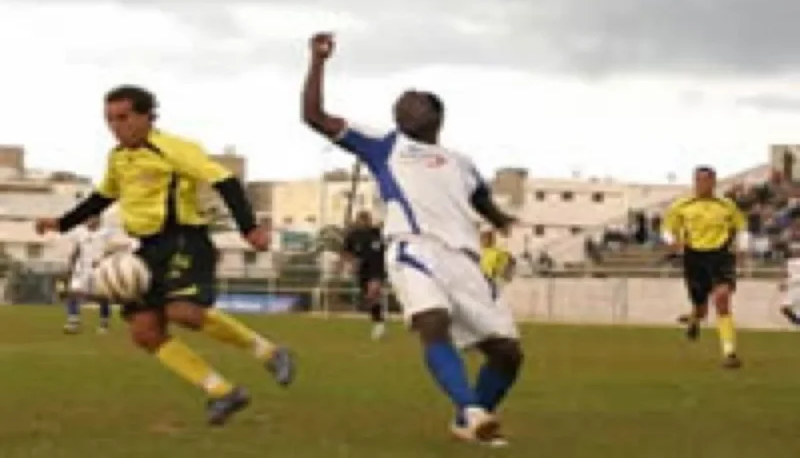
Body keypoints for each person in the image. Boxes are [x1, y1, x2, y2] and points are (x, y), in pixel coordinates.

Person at [301, 33, 523, 446]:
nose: (403, 103)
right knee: (432, 323)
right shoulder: (385, 145)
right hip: (413, 249)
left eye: (413, 99)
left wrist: (501, 219)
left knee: (508, 354)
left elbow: (481, 200)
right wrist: (317, 61)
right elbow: (314, 116)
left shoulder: (462, 162)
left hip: (465, 260)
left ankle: (466, 419)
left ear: (436, 114)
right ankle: (473, 409)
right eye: (400, 102)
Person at [35, 85, 295, 426]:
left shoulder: (173, 149)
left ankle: (269, 352)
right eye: (110, 119)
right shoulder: (118, 157)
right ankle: (221, 391)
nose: (116, 126)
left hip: (185, 241)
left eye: (123, 117)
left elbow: (226, 180)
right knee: (145, 331)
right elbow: (102, 197)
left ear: (146, 116)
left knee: (183, 312)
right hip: (145, 249)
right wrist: (61, 222)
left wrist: (248, 228)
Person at [662, 166, 748, 369]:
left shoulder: (727, 205)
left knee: (721, 298)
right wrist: (671, 241)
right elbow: (666, 229)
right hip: (694, 258)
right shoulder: (681, 205)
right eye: (699, 180)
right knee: (701, 308)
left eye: (707, 180)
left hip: (721, 256)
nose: (703, 184)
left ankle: (729, 353)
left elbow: (741, 227)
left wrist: (743, 248)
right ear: (694, 182)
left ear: (714, 182)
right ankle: (694, 320)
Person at [62, 216, 115, 334]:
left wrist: (103, 260)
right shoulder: (79, 232)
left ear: (98, 220)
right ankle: (73, 321)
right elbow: (76, 249)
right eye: (87, 218)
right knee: (73, 292)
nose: (89, 221)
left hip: (100, 268)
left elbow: (112, 250)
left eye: (92, 218)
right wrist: (70, 265)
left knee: (103, 296)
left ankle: (104, 323)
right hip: (82, 268)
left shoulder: (107, 232)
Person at [341, 211, 388, 340]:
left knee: (373, 292)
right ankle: (379, 323)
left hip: (377, 268)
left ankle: (379, 324)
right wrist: (351, 262)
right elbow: (346, 252)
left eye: (366, 219)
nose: (364, 222)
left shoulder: (377, 233)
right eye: (361, 220)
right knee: (371, 298)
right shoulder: (353, 235)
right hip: (362, 270)